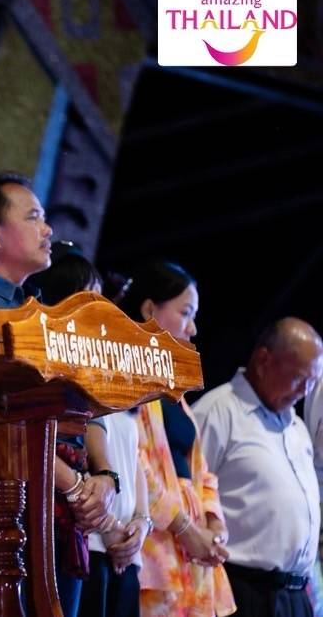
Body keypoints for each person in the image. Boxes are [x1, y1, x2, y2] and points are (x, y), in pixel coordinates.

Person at [0, 176, 115, 617]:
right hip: (6, 511)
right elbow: (1, 417)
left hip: (59, 505)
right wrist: (75, 485)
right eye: (34, 217)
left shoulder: (40, 308)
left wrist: (103, 478)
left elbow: (84, 403)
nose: (48, 229)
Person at [26, 241, 151, 617]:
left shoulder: (97, 373)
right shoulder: (37, 361)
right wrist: (101, 513)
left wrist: (131, 511)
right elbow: (27, 436)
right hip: (43, 515)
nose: (99, 314)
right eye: (89, 301)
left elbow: (122, 449)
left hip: (85, 527)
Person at [116, 259, 235, 617]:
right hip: (155, 543)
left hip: (192, 547)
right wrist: (185, 529)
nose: (192, 328)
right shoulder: (124, 379)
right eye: (185, 313)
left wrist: (214, 524)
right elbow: (135, 464)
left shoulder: (174, 390)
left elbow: (202, 471)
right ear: (149, 309)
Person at [194, 318, 323, 617]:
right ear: (264, 361)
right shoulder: (217, 413)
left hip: (295, 597)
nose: (306, 391)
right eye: (300, 378)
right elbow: (189, 498)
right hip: (243, 592)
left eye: (313, 382)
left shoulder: (297, 427)